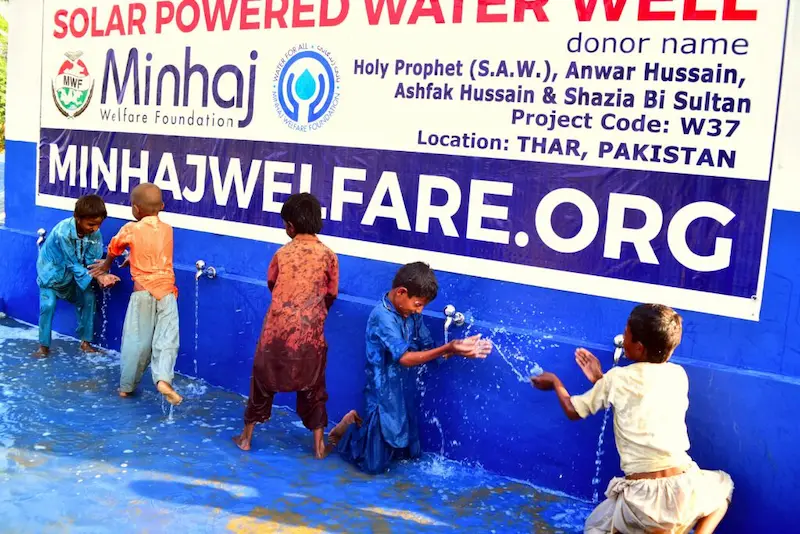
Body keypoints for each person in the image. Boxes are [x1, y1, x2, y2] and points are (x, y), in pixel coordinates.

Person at [532, 304, 733, 534]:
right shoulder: (678, 375)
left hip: (642, 503)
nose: (622, 337)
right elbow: (642, 397)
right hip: (685, 490)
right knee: (724, 485)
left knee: (595, 527)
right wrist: (601, 380)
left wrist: (555, 383)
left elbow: (572, 410)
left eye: (625, 334)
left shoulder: (616, 379)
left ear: (638, 347)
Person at [335, 262, 493, 474]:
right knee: (372, 467)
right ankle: (350, 428)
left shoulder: (412, 315)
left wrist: (457, 350)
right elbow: (405, 358)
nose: (420, 311)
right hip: (382, 393)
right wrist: (449, 347)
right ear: (401, 292)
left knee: (409, 455)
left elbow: (428, 348)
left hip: (404, 390)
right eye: (417, 304)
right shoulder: (382, 317)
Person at [232, 193, 357, 458]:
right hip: (310, 336)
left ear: (290, 226)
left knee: (261, 385)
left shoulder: (282, 253)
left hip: (275, 334)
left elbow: (272, 284)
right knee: (314, 387)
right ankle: (319, 446)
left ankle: (246, 438)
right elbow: (331, 293)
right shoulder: (329, 256)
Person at [90, 184, 182, 406]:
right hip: (167, 294)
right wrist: (136, 255)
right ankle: (163, 380)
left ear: (135, 209)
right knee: (167, 340)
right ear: (161, 206)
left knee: (135, 343)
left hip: (142, 293)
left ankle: (126, 387)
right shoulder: (168, 229)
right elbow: (156, 251)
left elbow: (114, 247)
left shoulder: (132, 228)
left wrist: (106, 264)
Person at [35, 195, 119, 357]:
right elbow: (71, 262)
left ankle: (85, 343)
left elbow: (92, 261)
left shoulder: (95, 234)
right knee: (48, 305)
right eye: (91, 224)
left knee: (89, 298)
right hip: (51, 276)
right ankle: (43, 346)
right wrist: (98, 277)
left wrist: (104, 274)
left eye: (99, 224)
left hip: (75, 277)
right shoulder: (62, 233)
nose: (95, 228)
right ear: (77, 219)